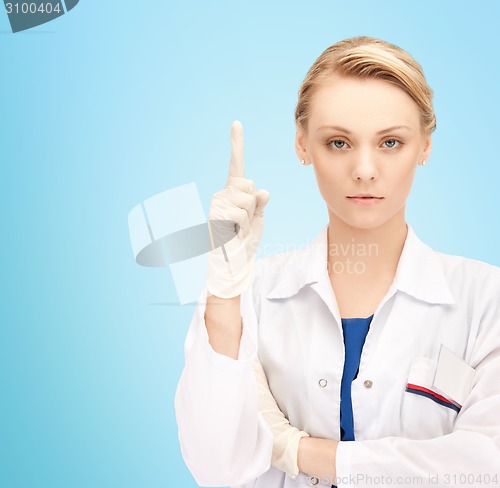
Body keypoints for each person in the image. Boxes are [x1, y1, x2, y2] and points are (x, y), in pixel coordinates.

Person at [174, 36, 500, 488]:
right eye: (339, 143)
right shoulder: (249, 294)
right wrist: (225, 296)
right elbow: (215, 467)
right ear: (303, 146)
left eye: (390, 142)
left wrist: (298, 449)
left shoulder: (486, 300)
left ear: (424, 147)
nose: (365, 169)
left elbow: (486, 465)